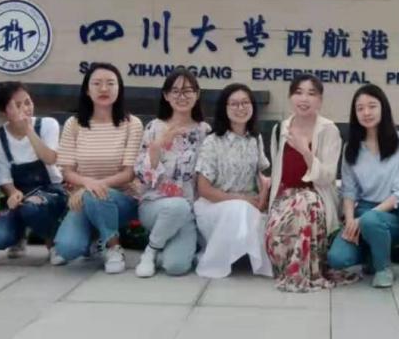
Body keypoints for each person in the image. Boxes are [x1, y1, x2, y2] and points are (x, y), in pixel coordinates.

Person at [265, 73, 358, 292]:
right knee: (280, 227)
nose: (304, 99)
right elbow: (277, 172)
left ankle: (303, 272)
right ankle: (289, 267)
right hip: (284, 197)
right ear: (290, 97)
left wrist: (305, 151)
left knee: (305, 203)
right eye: (298, 93)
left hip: (316, 197)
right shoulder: (281, 129)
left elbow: (327, 176)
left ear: (320, 100)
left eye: (311, 94)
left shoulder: (329, 130)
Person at [53, 63, 143, 274]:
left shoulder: (132, 124)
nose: (104, 89)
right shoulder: (74, 123)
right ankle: (96, 236)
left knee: (95, 194)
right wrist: (88, 185)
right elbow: (67, 171)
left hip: (122, 200)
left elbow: (129, 173)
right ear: (87, 89)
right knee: (67, 249)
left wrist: (90, 187)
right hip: (84, 200)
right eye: (97, 83)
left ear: (119, 89)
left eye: (110, 83)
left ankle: (113, 247)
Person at [326, 84, 399, 288]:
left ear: (383, 108)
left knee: (370, 221)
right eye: (360, 108)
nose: (366, 112)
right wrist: (351, 221)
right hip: (363, 210)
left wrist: (365, 219)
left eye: (372, 106)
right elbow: (349, 191)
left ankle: (383, 268)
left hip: (393, 213)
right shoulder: (351, 147)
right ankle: (371, 252)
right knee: (337, 259)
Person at [133, 69, 209, 278]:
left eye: (187, 91)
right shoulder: (154, 127)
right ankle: (151, 251)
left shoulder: (205, 131)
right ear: (166, 96)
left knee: (177, 266)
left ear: (197, 94)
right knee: (177, 206)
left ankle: (162, 250)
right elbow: (142, 176)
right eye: (175, 91)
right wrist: (158, 145)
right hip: (155, 205)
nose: (181, 96)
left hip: (188, 210)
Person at [194, 83, 272, 278]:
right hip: (214, 205)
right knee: (238, 208)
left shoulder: (255, 139)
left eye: (245, 103)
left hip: (249, 205)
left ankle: (241, 255)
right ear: (225, 108)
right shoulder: (212, 141)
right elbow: (203, 189)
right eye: (234, 104)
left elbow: (260, 177)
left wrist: (261, 198)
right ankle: (215, 262)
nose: (241, 108)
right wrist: (240, 199)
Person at [0, 82, 67, 265]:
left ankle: (53, 243)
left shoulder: (47, 125)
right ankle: (19, 235)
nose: (26, 108)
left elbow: (50, 158)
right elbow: (3, 176)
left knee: (32, 207)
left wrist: (29, 130)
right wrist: (13, 192)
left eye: (28, 102)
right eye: (17, 105)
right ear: (4, 112)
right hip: (20, 196)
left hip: (51, 193)